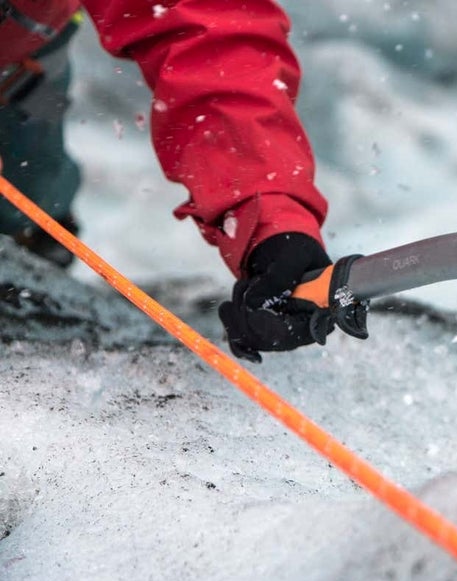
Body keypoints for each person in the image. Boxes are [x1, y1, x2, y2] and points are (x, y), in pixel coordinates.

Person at [0, 0, 362, 360]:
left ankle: (31, 253)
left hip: (20, 64)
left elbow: (203, 26)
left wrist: (269, 217)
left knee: (28, 207)